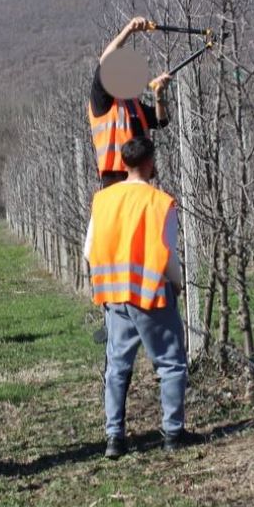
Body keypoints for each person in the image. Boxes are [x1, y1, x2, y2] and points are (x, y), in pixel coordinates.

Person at [84, 136, 195, 458]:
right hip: (149, 293)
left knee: (117, 367)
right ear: (150, 162)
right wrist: (176, 285)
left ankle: (114, 438)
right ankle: (173, 434)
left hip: (113, 294)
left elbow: (89, 251)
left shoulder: (102, 200)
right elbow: (168, 253)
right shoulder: (160, 202)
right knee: (171, 363)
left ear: (123, 163)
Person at [90, 16, 173, 187]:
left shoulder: (133, 103)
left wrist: (159, 96)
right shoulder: (102, 100)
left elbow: (161, 121)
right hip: (114, 180)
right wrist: (128, 31)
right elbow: (105, 62)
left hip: (140, 180)